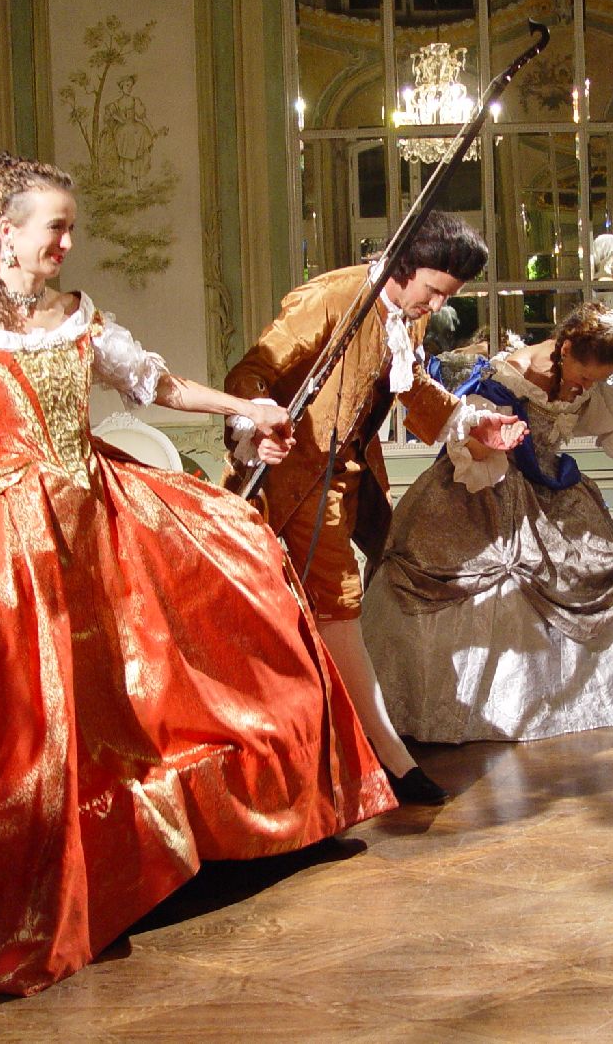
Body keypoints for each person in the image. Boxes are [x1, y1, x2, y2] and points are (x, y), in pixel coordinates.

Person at [0, 153, 394, 1012]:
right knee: (24, 700)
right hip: (15, 522)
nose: (67, 242)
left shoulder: (78, 314)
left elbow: (157, 382)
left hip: (99, 505)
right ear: (8, 232)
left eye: (71, 228)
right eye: (55, 227)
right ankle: (26, 881)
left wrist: (245, 408)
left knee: (222, 580)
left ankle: (196, 832)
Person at [223, 213, 526, 803]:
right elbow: (252, 372)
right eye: (433, 291)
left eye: (447, 296)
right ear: (403, 267)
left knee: (336, 607)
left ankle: (344, 755)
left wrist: (471, 420)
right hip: (290, 476)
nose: (437, 306)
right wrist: (253, 424)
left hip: (346, 479)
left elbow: (409, 386)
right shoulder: (333, 298)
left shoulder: (408, 315)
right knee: (316, 609)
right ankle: (380, 758)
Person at [360, 302, 613, 742]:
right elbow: (466, 443)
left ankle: (562, 704)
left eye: (597, 382)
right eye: (584, 377)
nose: (586, 389)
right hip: (484, 488)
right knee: (496, 583)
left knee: (587, 571)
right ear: (564, 349)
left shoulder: (585, 386)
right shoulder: (506, 379)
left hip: (550, 491)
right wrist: (491, 440)